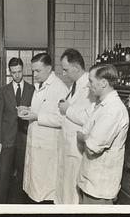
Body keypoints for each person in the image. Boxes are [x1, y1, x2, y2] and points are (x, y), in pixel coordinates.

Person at [77, 64, 129, 204]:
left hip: (100, 187)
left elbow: (92, 147)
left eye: (91, 81)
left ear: (104, 83)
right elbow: (85, 132)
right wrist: (86, 137)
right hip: (90, 182)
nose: (88, 85)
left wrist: (84, 137)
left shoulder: (113, 110)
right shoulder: (101, 105)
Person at [20, 53, 68, 202]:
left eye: (38, 71)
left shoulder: (59, 88)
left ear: (49, 68)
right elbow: (43, 109)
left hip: (48, 147)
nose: (34, 74)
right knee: (36, 188)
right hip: (37, 143)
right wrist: (28, 109)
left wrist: (36, 117)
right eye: (33, 71)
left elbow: (62, 119)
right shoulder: (40, 85)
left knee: (46, 190)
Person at [55, 48, 95, 204]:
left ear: (77, 68)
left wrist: (68, 109)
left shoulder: (89, 87)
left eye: (65, 70)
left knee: (73, 191)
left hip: (77, 147)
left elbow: (89, 117)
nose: (64, 74)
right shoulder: (75, 85)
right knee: (66, 187)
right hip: (68, 144)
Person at [0, 57, 35, 203]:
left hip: (25, 138)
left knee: (24, 176)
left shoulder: (32, 90)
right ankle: (1, 207)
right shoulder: (3, 91)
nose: (17, 75)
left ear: (22, 70)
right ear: (9, 72)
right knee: (4, 175)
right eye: (13, 72)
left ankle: (21, 206)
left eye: (19, 71)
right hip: (7, 140)